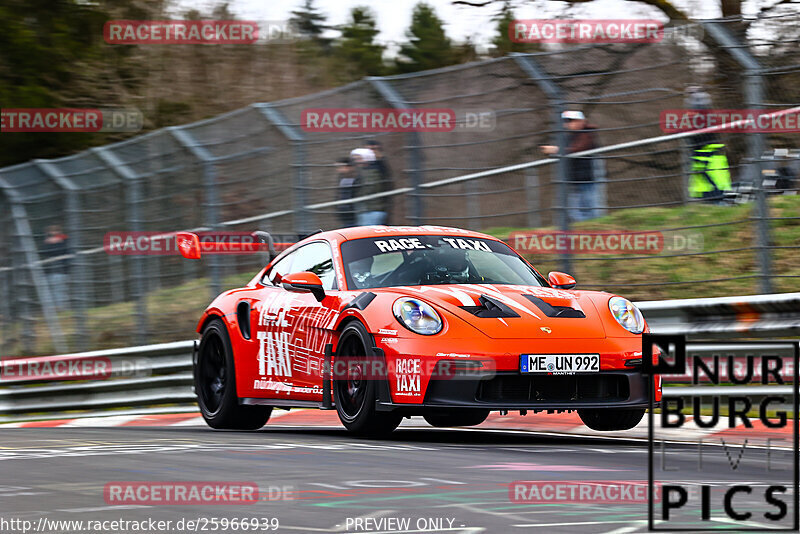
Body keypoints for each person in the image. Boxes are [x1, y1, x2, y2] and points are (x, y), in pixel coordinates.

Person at [541, 110, 599, 222]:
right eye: (567, 121)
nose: (568, 124)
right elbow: (567, 151)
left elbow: (577, 150)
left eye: (571, 121)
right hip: (575, 179)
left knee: (589, 210)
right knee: (575, 211)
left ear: (581, 121)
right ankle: (586, 232)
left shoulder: (587, 134)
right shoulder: (571, 136)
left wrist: (556, 150)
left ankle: (593, 232)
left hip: (586, 179)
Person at [684, 86, 732, 203]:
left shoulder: (703, 118)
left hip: (708, 160)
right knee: (712, 193)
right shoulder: (704, 118)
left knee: (716, 193)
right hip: (706, 160)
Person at [351, 146, 391, 226]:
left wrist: (357, 195)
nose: (357, 161)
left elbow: (371, 188)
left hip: (371, 209)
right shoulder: (365, 171)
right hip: (367, 209)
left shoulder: (372, 171)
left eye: (359, 158)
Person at [365, 139, 394, 224]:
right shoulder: (367, 166)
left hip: (379, 207)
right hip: (368, 208)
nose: (371, 152)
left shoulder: (382, 166)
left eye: (373, 149)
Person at [42, 225, 70, 309]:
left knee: (60, 291)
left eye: (53, 233)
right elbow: (44, 251)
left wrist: (56, 242)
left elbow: (59, 251)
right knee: (47, 292)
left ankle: (61, 309)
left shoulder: (65, 240)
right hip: (49, 271)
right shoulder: (47, 242)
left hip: (61, 270)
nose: (51, 236)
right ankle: (51, 310)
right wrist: (49, 242)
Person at [336, 157, 359, 228]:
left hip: (354, 214)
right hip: (344, 214)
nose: (338, 170)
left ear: (348, 167)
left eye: (340, 167)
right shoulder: (341, 179)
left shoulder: (356, 179)